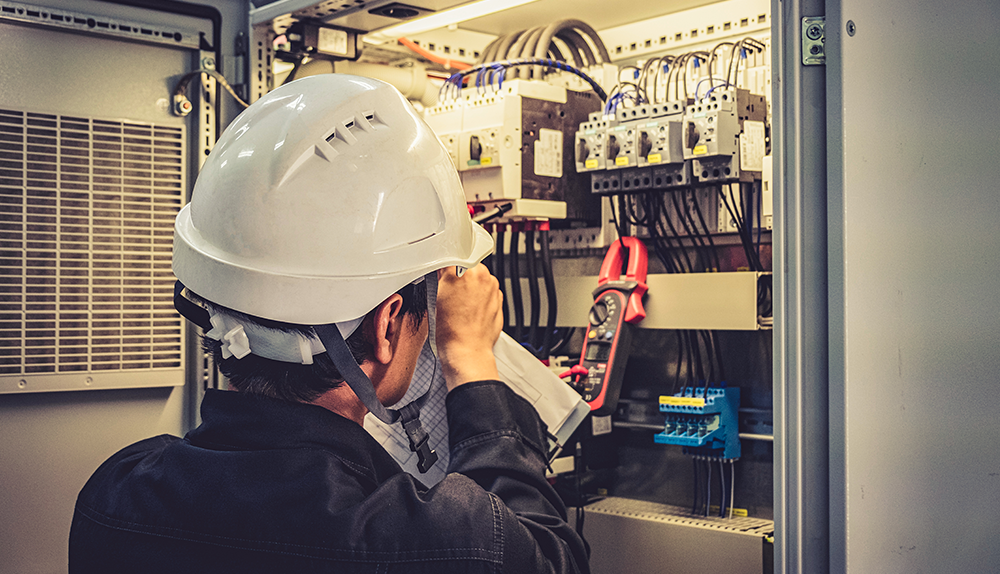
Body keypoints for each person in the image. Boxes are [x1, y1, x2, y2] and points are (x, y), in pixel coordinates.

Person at [68, 74, 589, 573]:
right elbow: (546, 555)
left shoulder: (112, 496)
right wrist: (472, 362)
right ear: (386, 326)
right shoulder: (447, 543)